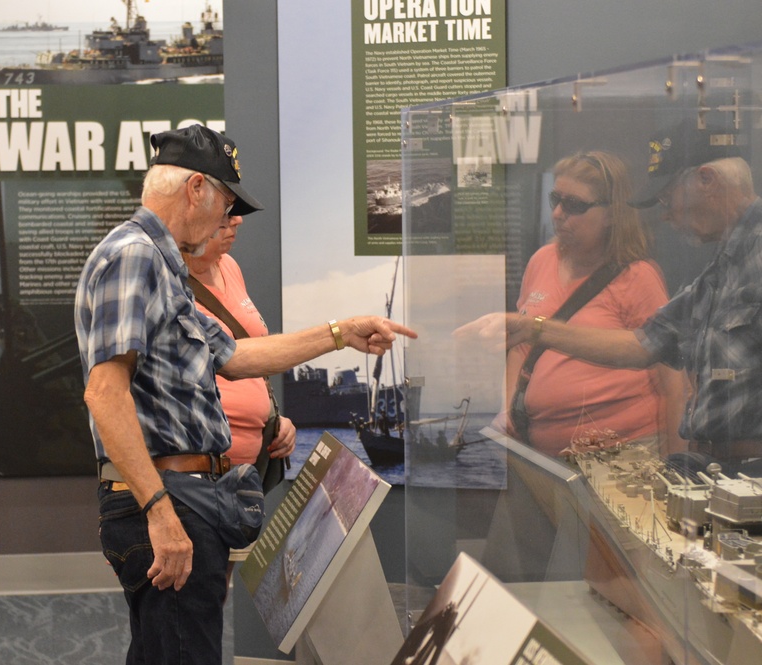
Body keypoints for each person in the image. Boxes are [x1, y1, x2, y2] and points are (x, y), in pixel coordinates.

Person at [74, 124, 416, 665]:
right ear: (196, 190)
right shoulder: (135, 256)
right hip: (169, 497)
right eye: (226, 202)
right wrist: (160, 512)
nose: (227, 219)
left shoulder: (163, 266)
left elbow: (236, 357)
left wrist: (338, 333)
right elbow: (104, 393)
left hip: (184, 495)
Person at [458, 120, 761, 473]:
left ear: (706, 180)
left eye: (668, 197)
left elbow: (668, 382)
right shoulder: (721, 268)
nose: (665, 213)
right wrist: (533, 329)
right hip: (722, 472)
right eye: (555, 201)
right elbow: (641, 345)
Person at [504, 150, 687, 457]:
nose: (558, 213)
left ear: (612, 213)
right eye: (555, 200)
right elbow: (522, 343)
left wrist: (677, 467)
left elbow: (674, 384)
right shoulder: (542, 261)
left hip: (623, 455)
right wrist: (507, 408)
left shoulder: (637, 277)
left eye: (574, 205)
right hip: (544, 455)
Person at [182, 214, 296, 466]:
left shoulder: (229, 266)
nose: (238, 220)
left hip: (245, 471)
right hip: (200, 470)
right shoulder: (168, 280)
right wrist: (338, 335)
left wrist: (272, 417)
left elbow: (249, 351)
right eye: (225, 213)